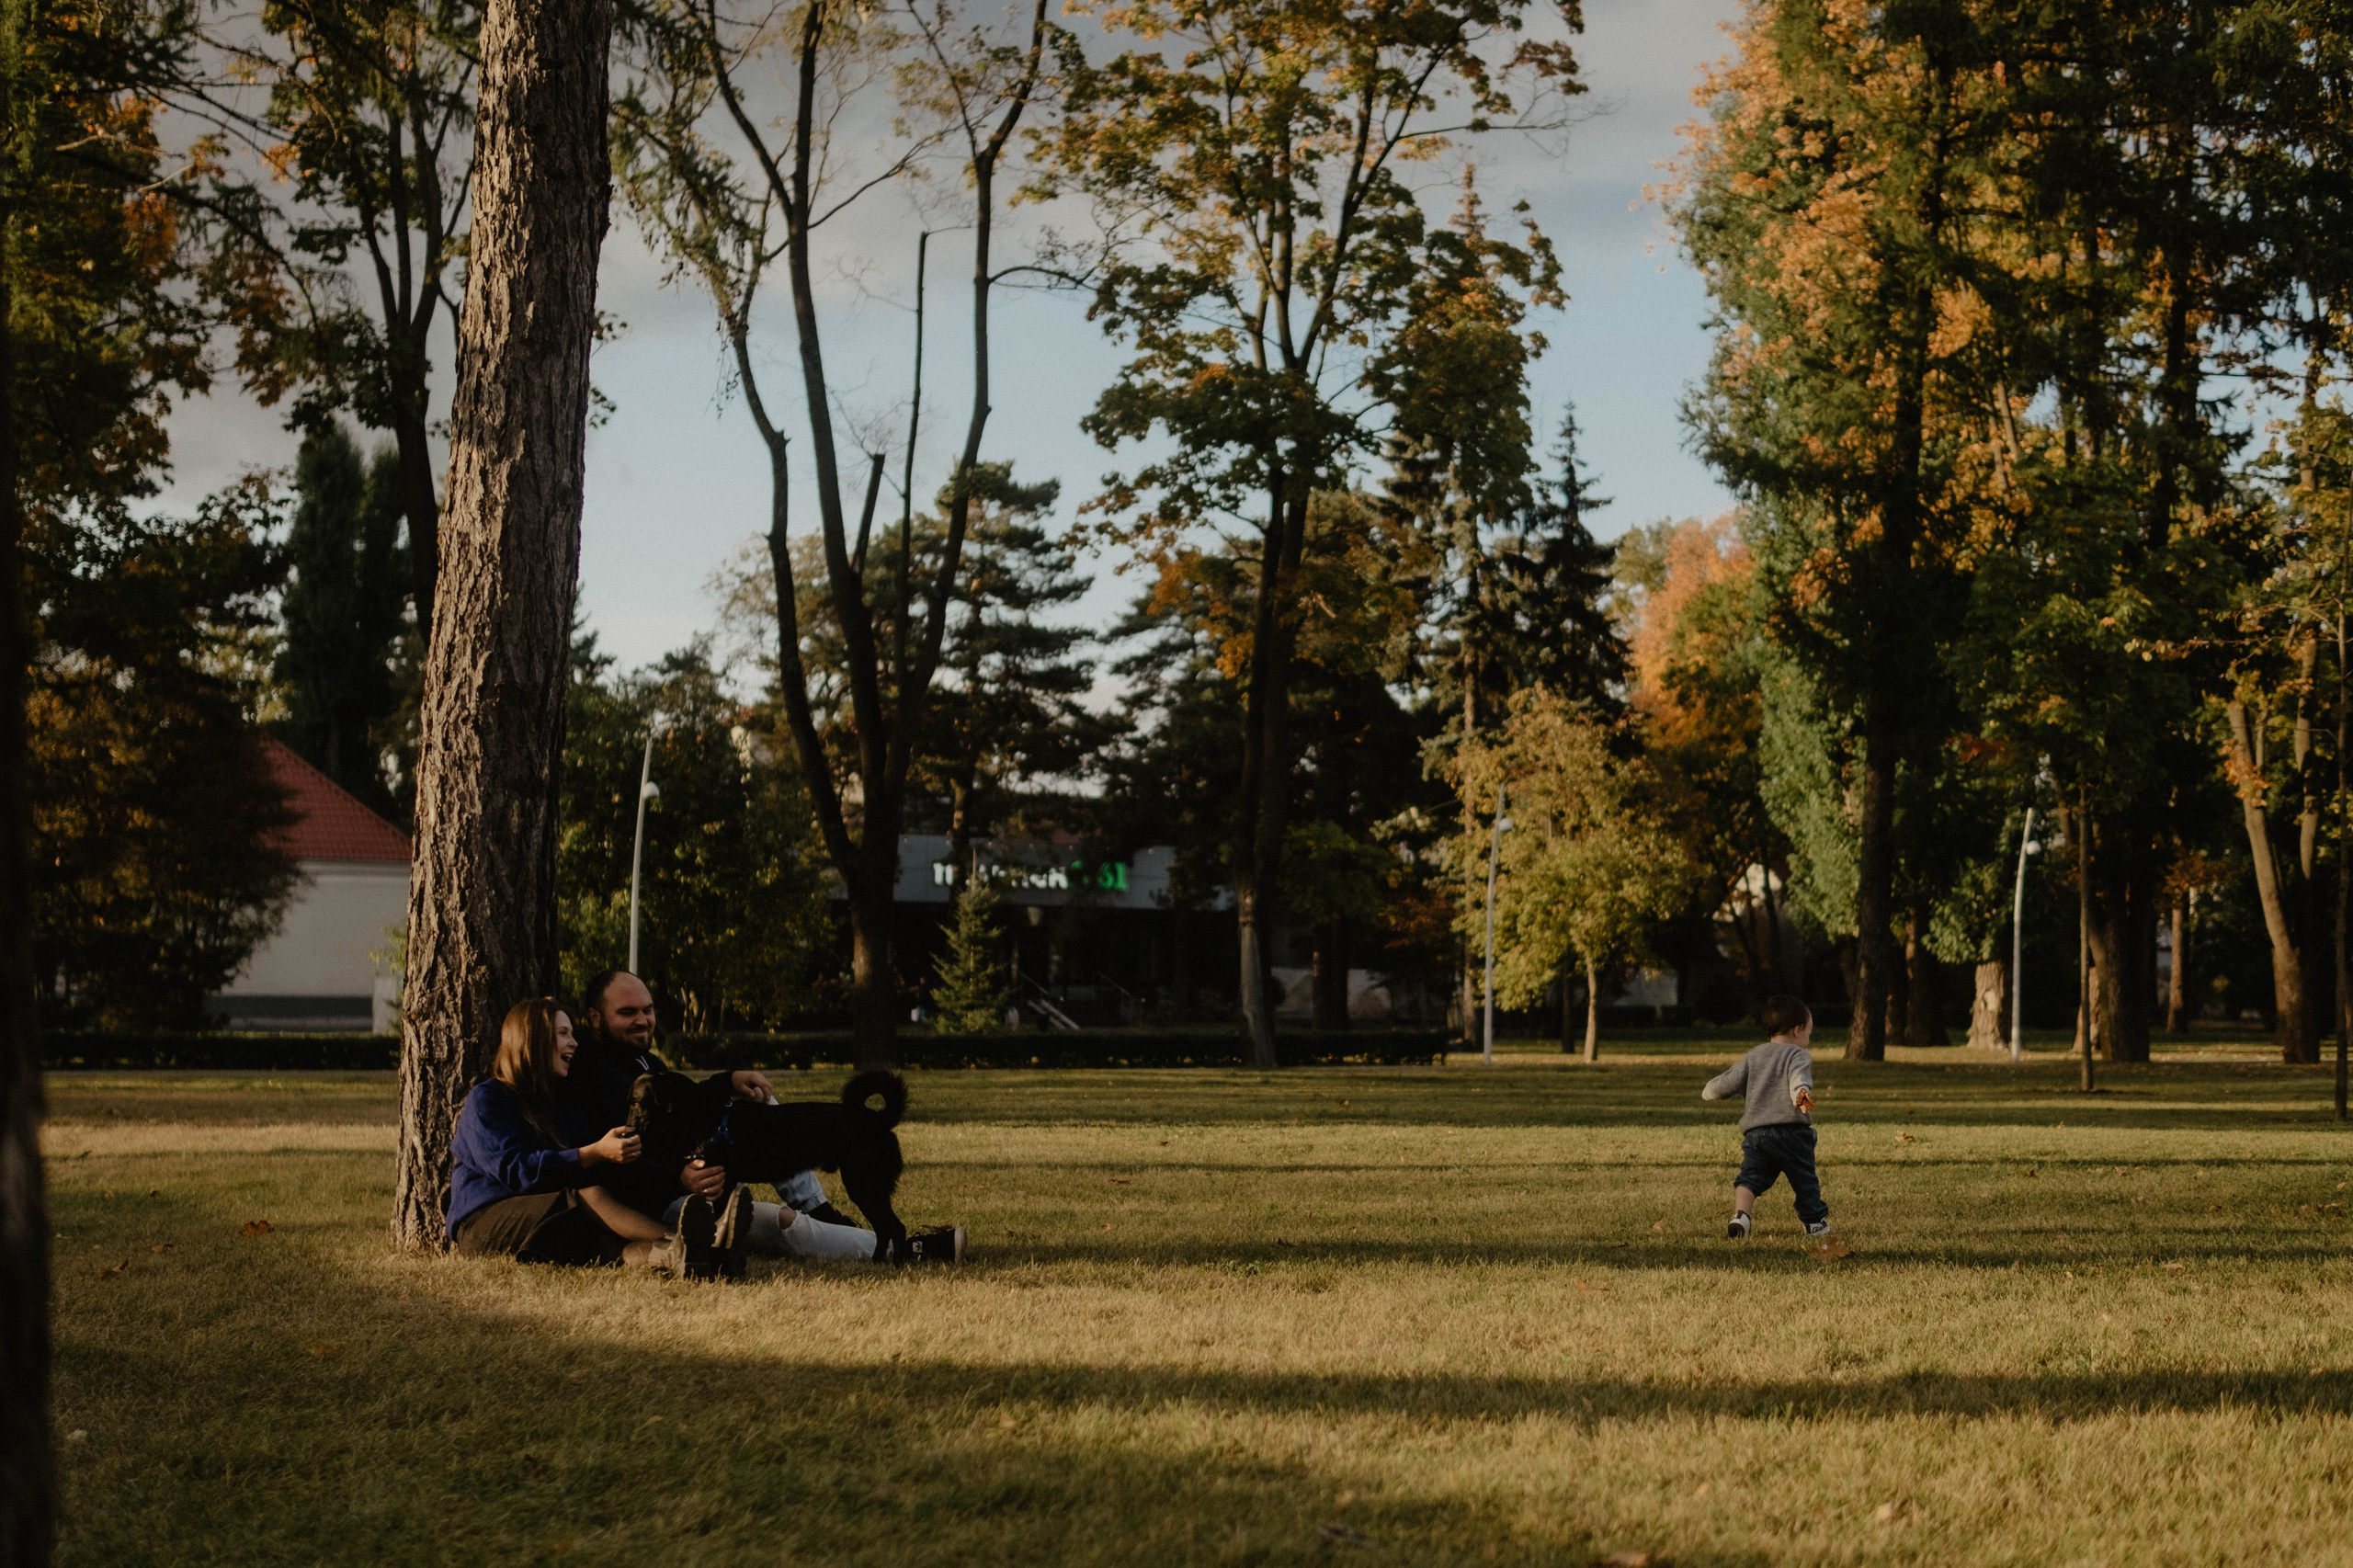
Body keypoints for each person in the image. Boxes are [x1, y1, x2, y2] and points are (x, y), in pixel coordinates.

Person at [572, 970, 890, 1264]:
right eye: (627, 1012)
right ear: (595, 1019)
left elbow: (685, 1104)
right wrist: (678, 1177)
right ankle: (898, 1247)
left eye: (647, 1010)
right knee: (779, 1223)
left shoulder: (642, 1060)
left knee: (755, 1100)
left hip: (698, 1174)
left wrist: (729, 1081)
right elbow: (610, 1165)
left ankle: (819, 1210)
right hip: (662, 1203)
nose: (642, 1020)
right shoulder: (589, 1076)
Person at [447, 997, 725, 1275]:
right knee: (586, 1195)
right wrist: (591, 1153)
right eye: (563, 1034)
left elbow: (603, 1163)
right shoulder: (489, 1099)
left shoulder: (562, 1103)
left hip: (550, 1212)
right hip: (484, 1221)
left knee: (607, 1244)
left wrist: (677, 1177)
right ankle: (688, 1242)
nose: (574, 1043)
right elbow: (516, 1171)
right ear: (533, 1039)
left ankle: (691, 1259)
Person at [1701, 994, 1832, 1241]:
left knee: (1750, 1177)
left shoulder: (1754, 1055)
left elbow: (1728, 1081)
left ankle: (1741, 1216)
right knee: (1805, 1179)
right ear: (1797, 1029)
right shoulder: (1798, 1055)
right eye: (1809, 1034)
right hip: (1792, 1133)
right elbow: (1799, 1080)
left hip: (1757, 1134)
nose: (1808, 1041)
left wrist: (1710, 1091)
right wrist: (1800, 1096)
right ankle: (1814, 1222)